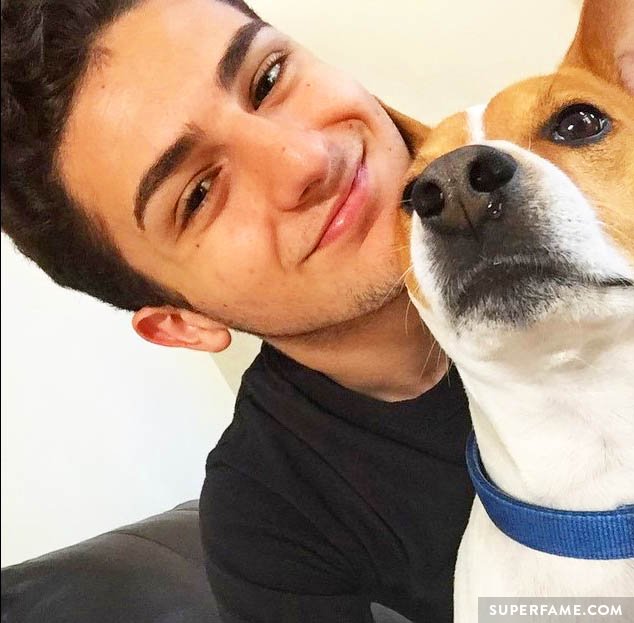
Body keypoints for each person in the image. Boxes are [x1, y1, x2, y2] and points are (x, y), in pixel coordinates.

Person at [1, 0, 474, 621]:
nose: (304, 159)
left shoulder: (582, 179)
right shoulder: (270, 514)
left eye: (268, 79)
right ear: (181, 323)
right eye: (198, 195)